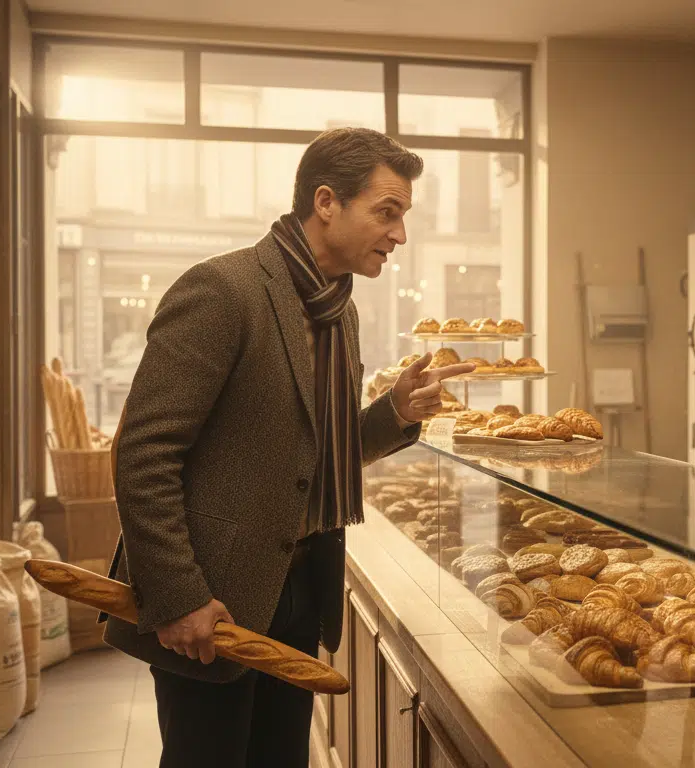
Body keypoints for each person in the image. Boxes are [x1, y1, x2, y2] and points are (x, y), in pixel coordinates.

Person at [103, 127, 474, 768]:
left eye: (404, 216)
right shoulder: (224, 291)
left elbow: (310, 457)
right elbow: (143, 452)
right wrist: (180, 596)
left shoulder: (338, 312)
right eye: (387, 212)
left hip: (302, 588)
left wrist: (395, 414)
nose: (400, 235)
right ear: (326, 201)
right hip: (212, 599)